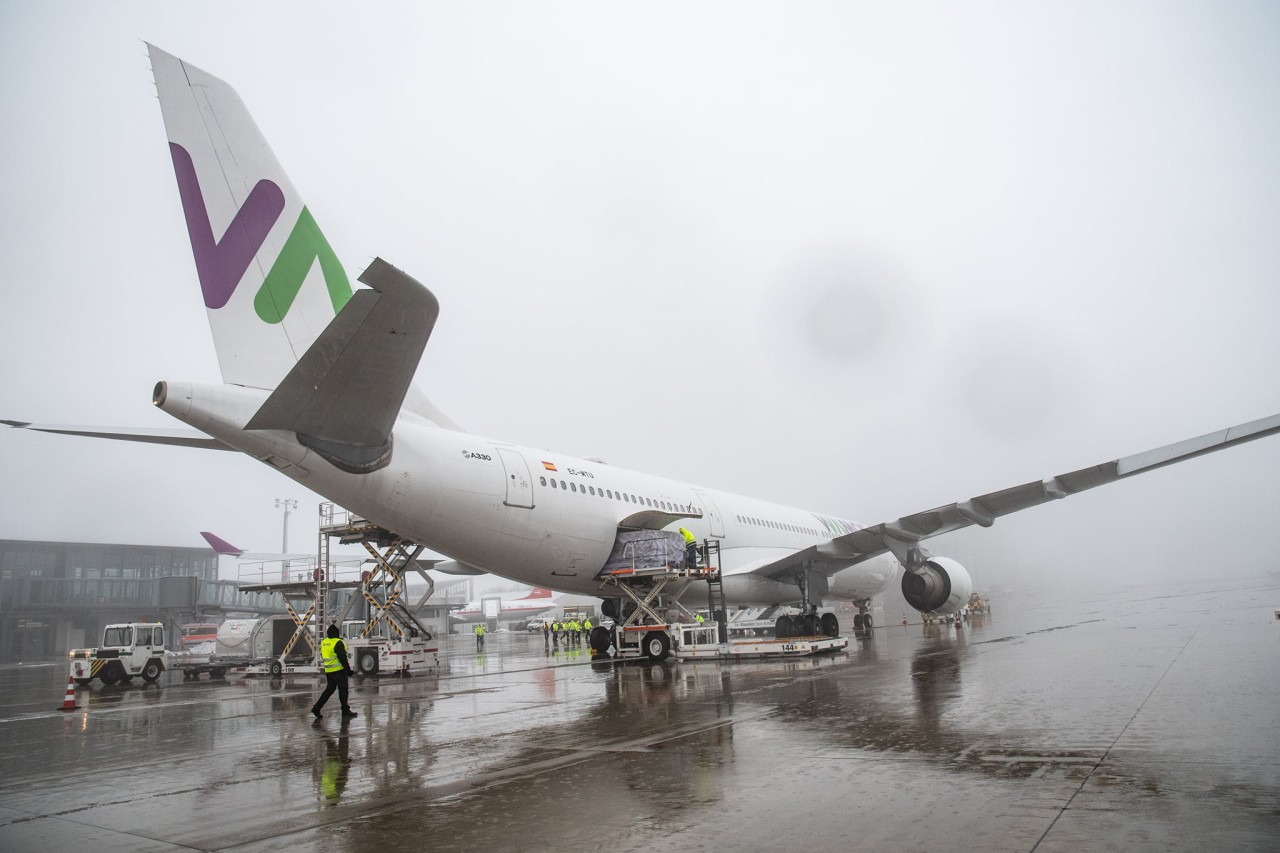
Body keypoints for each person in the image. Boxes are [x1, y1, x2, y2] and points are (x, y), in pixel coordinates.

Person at [311, 624, 356, 719]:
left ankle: (316, 708)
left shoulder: (324, 642)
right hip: (339, 671)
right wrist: (349, 671)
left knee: (328, 691)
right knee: (343, 691)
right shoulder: (338, 642)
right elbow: (343, 658)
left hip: (329, 671)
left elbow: (323, 655)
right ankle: (345, 710)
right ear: (336, 633)